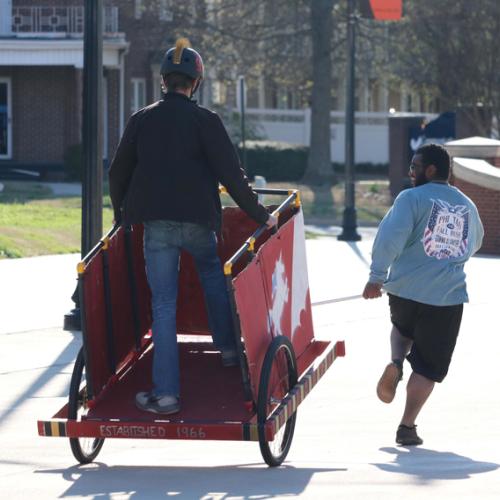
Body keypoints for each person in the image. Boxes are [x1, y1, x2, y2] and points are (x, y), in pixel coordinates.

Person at [109, 38, 277, 415]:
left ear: (164, 81)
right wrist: (258, 213)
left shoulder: (142, 120)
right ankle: (231, 350)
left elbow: (118, 171)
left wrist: (121, 214)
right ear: (195, 83)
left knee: (164, 305)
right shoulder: (206, 122)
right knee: (213, 277)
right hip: (200, 221)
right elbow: (231, 175)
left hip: (157, 226)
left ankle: (166, 394)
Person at [362, 143, 483, 445]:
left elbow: (389, 237)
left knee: (403, 328)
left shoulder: (410, 199)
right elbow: (476, 242)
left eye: (414, 166)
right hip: (446, 296)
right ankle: (407, 427)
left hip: (403, 290)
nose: (410, 172)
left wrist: (376, 278)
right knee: (428, 366)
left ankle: (396, 362)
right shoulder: (467, 205)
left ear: (431, 170)